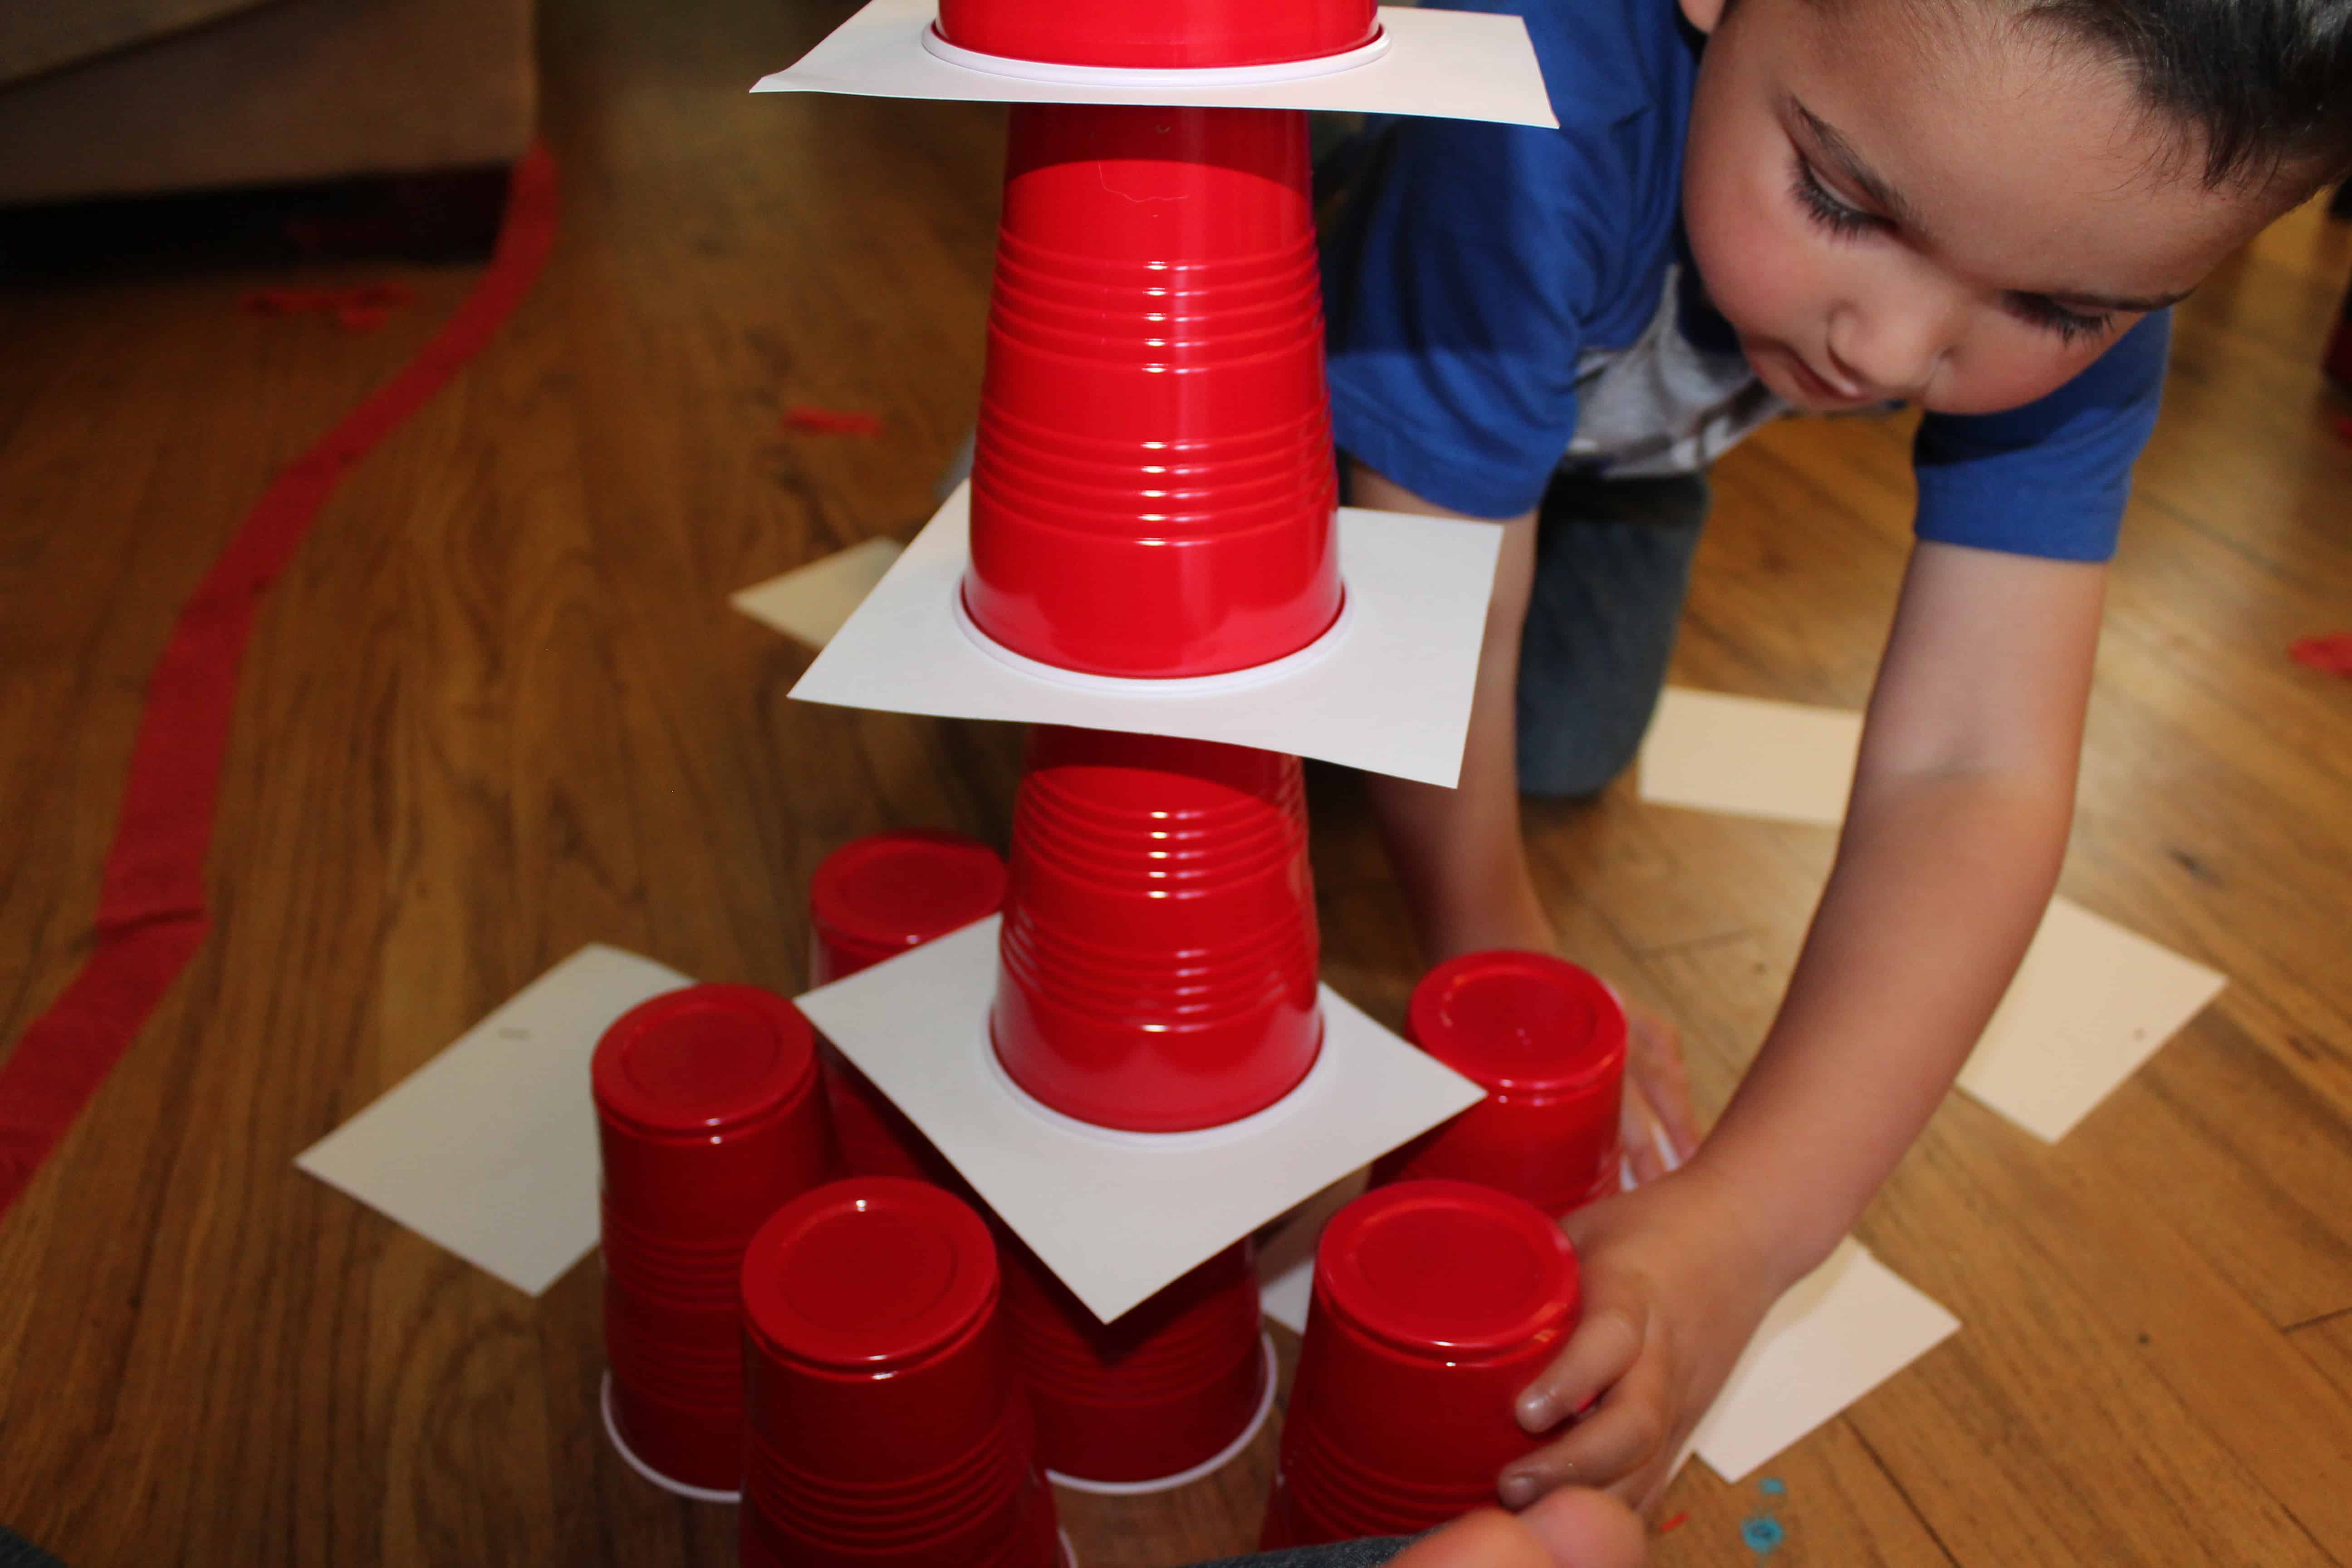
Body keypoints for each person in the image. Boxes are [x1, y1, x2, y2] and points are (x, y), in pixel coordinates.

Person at [1320, 0, 2350, 1522]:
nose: (1894, 350)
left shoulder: (2094, 222)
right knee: (1194, 702)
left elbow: (1977, 766)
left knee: (1570, 738)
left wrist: (1745, 1230)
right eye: (1847, 206)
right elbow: (1443, 618)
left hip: (1620, 435)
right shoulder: (1540, 102)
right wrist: (1504, 955)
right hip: (1307, 349)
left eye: (2059, 312)